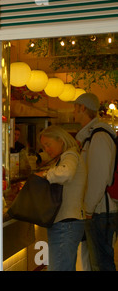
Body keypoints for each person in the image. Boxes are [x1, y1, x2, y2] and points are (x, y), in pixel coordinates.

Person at [73, 92, 117, 271]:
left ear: (82, 108)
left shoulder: (99, 136)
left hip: (101, 211)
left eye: (75, 108)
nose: (73, 113)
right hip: (100, 210)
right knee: (98, 262)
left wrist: (89, 209)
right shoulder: (94, 135)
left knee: (101, 263)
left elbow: (99, 176)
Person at [36, 125, 86, 271]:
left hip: (66, 223)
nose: (47, 149)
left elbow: (66, 173)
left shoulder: (70, 155)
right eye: (44, 147)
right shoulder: (70, 155)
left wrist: (45, 175)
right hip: (68, 222)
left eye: (48, 145)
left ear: (61, 140)